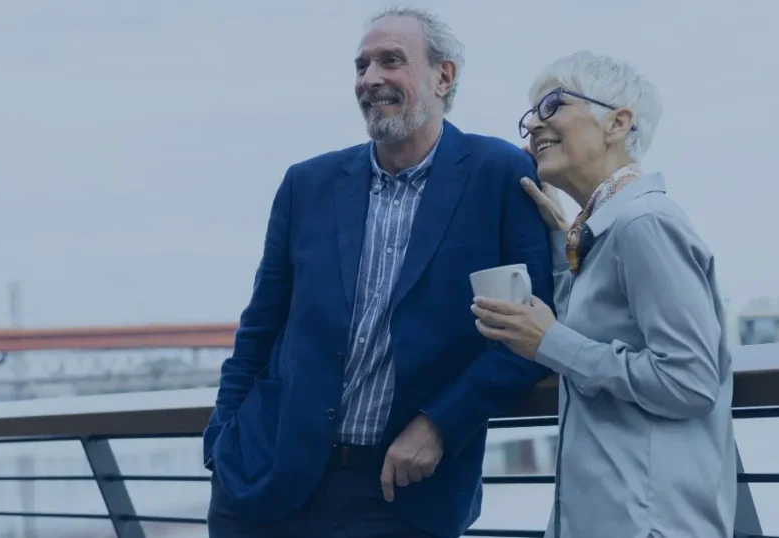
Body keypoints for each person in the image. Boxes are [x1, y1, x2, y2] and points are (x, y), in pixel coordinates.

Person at [203, 7, 554, 538]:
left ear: (444, 76)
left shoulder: (501, 175)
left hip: (405, 494)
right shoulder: (307, 185)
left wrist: (441, 424)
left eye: (391, 61)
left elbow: (528, 334)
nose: (371, 79)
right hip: (267, 484)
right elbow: (259, 330)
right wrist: (221, 444)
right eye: (362, 65)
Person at [470, 51, 737, 537]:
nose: (533, 125)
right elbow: (608, 333)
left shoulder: (645, 224)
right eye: (531, 114)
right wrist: (564, 238)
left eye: (552, 105)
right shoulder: (608, 230)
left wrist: (548, 341)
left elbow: (692, 381)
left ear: (618, 123)